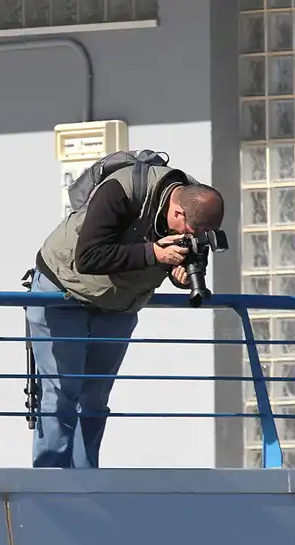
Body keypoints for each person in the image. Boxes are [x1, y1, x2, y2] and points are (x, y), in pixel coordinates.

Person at [27, 156, 224, 469]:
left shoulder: (194, 208)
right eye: (189, 232)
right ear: (177, 211)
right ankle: (50, 479)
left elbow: (178, 258)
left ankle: (86, 477)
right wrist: (154, 253)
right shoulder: (121, 190)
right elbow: (88, 258)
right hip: (65, 289)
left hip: (119, 302)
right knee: (63, 392)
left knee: (94, 398)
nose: (191, 239)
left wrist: (179, 274)